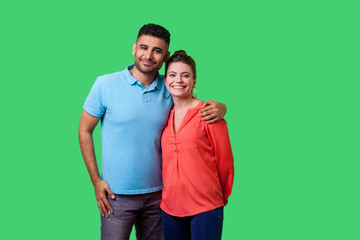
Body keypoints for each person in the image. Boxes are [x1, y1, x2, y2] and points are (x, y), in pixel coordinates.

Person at [78, 24, 227, 240]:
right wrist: (95, 180)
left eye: (157, 50)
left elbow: (191, 101)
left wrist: (221, 107)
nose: (148, 55)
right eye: (144, 48)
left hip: (160, 197)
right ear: (134, 48)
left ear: (165, 56)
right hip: (116, 196)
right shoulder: (105, 84)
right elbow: (84, 130)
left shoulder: (169, 87)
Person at [160, 50, 234, 240]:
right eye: (173, 75)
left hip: (206, 206)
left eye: (185, 75)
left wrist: (219, 197)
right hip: (170, 208)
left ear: (194, 81)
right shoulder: (162, 116)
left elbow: (225, 160)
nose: (179, 80)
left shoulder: (208, 113)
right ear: (165, 79)